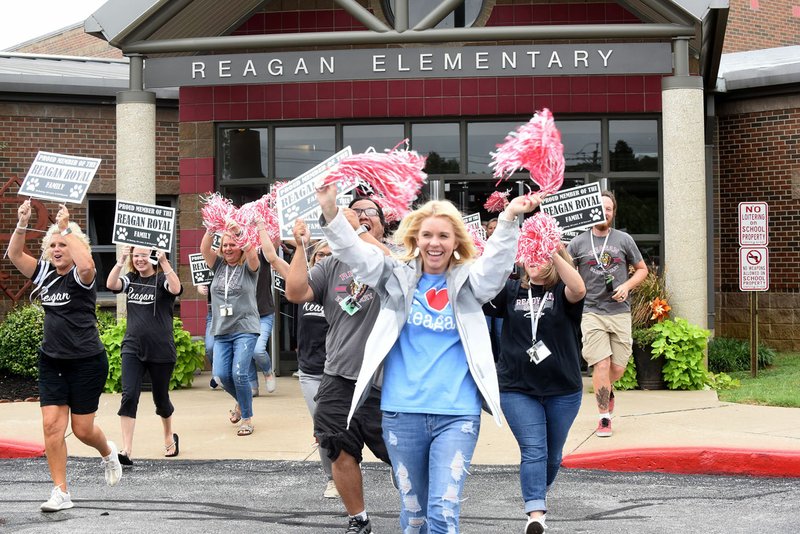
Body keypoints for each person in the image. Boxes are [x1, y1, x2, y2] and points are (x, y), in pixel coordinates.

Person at [315, 184, 539, 533]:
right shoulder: (395, 277)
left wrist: (510, 218)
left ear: (456, 241)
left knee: (443, 512)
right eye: (427, 235)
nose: (435, 243)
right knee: (414, 513)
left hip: (457, 415)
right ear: (415, 239)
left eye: (444, 236)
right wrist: (330, 210)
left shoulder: (468, 282)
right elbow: (355, 253)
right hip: (402, 413)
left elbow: (495, 267)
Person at [285, 196, 393, 534]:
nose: (360, 217)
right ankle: (357, 518)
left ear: (382, 222)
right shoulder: (332, 264)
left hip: (386, 380)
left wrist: (357, 229)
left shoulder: (394, 254)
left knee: (402, 453)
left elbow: (402, 271)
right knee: (337, 447)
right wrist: (302, 247)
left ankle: (421, 509)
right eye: (354, 212)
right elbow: (295, 291)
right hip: (339, 376)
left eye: (368, 213)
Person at [8, 200, 122, 512]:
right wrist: (22, 222)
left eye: (63, 244)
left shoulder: (81, 277)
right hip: (53, 360)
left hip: (87, 360)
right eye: (53, 245)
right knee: (51, 427)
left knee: (83, 430)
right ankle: (61, 492)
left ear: (74, 246)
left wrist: (66, 227)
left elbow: (87, 266)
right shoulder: (44, 272)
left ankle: (108, 451)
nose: (58, 249)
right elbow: (15, 255)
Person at [489, 248, 586, 534]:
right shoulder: (510, 291)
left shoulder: (561, 291)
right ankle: (535, 515)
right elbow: (479, 292)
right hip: (517, 387)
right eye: (530, 254)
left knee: (552, 456)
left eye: (541, 255)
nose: (535, 259)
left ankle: (535, 491)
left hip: (563, 389)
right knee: (534, 450)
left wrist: (552, 250)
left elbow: (578, 288)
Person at [261, 229, 338, 499]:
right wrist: (260, 221)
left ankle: (350, 466)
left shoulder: (345, 287)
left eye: (330, 256)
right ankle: (332, 478)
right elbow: (271, 257)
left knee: (350, 428)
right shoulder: (301, 282)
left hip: (340, 371)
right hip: (311, 372)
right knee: (323, 427)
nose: (324, 260)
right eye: (320, 256)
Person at [567, 191, 648, 437]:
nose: (604, 213)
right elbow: (566, 272)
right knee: (600, 364)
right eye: (600, 208)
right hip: (591, 310)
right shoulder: (578, 242)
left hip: (619, 312)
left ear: (614, 212)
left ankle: (608, 388)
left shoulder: (624, 240)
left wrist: (626, 286)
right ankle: (604, 417)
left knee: (618, 368)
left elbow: (641, 270)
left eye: (609, 209)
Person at [106, 246, 183, 465]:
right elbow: (111, 284)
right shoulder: (131, 279)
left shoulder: (161, 280)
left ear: (152, 257)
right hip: (133, 348)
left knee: (161, 399)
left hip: (161, 350)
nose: (140, 259)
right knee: (129, 395)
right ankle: (127, 449)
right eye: (136, 255)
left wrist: (165, 263)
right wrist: (120, 261)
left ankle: (169, 435)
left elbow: (176, 288)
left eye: (144, 255)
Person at [200, 219, 260, 436]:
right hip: (221, 330)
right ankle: (241, 402)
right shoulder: (218, 266)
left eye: (232, 244)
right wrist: (212, 226)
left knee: (239, 373)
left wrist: (238, 232)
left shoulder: (248, 268)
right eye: (225, 245)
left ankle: (247, 417)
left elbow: (252, 253)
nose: (228, 248)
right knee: (221, 376)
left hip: (245, 328)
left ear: (240, 246)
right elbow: (204, 249)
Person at [250, 245, 278, 397]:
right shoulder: (237, 254)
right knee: (245, 351)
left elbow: (275, 244)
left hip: (264, 313)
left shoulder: (263, 252)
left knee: (258, 349)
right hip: (243, 316)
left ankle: (268, 372)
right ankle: (252, 385)